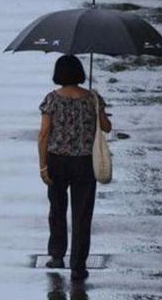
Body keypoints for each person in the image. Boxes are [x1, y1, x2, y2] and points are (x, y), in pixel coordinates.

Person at [38, 55, 111, 281]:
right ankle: (78, 264)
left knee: (57, 209)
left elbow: (43, 134)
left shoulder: (52, 100)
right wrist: (97, 108)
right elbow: (107, 128)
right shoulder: (93, 98)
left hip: (57, 160)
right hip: (84, 162)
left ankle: (57, 254)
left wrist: (42, 166)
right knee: (82, 214)